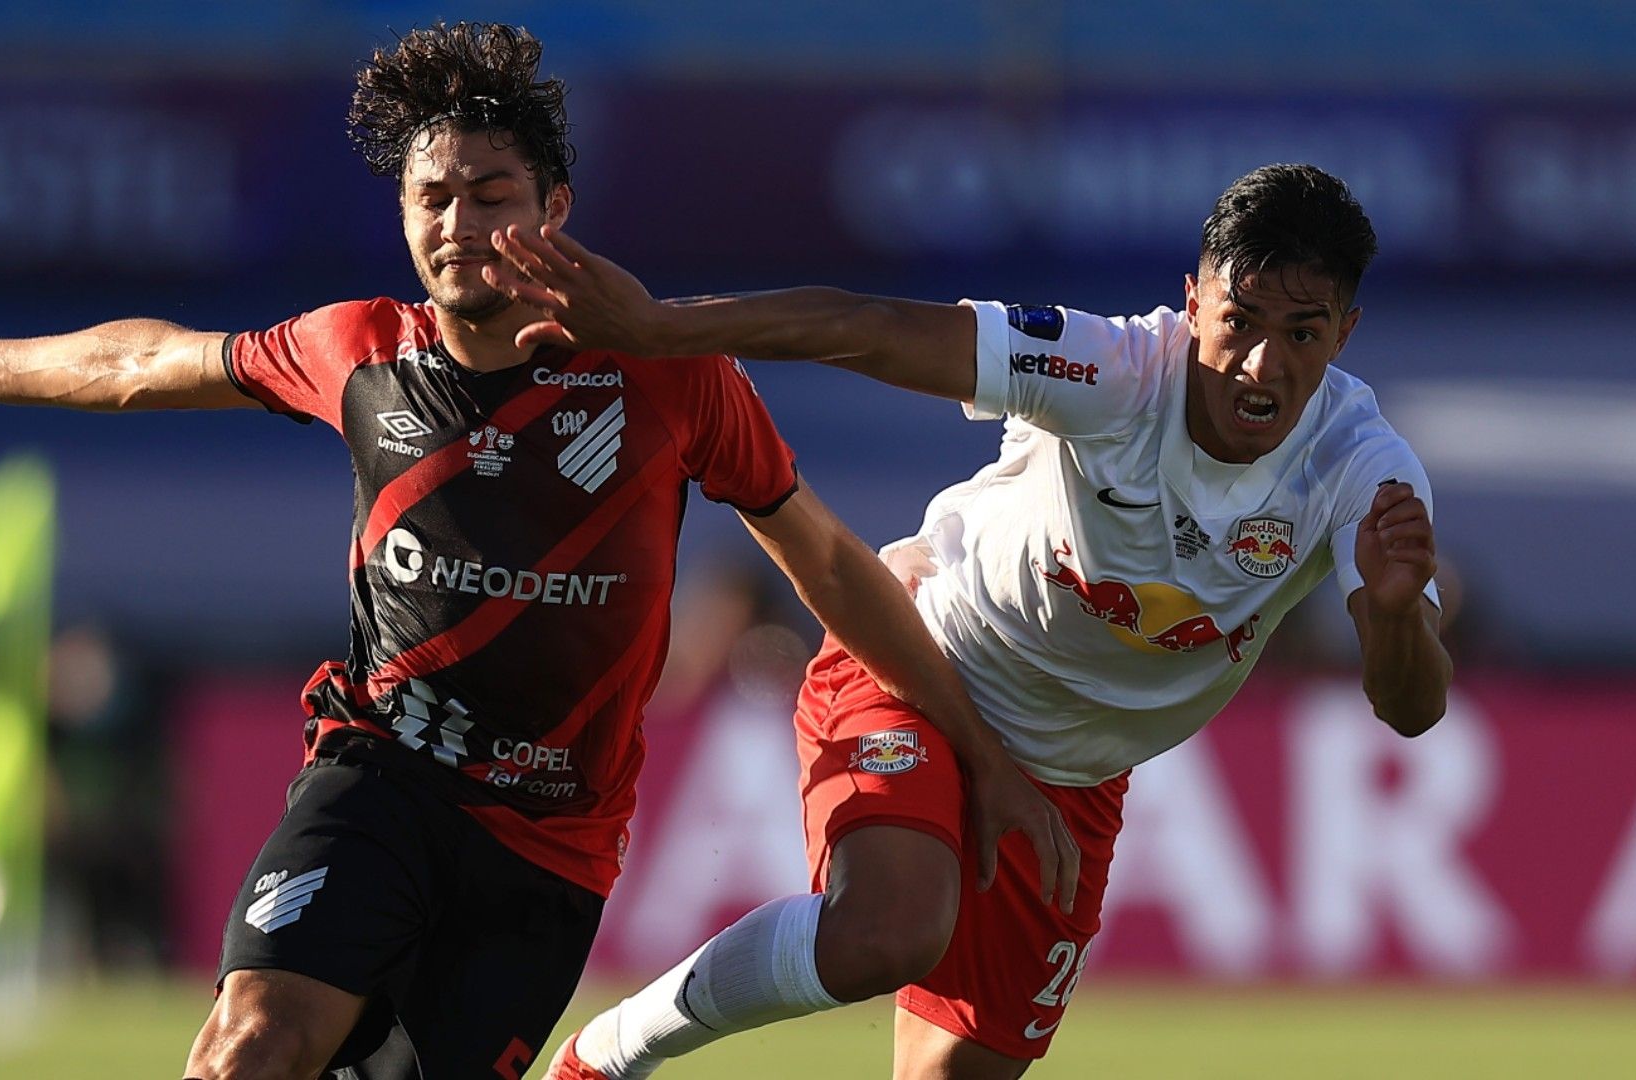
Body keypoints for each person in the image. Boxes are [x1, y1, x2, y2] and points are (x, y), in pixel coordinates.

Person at [0, 22, 1068, 1080]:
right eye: (434, 196)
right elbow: (141, 360)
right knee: (249, 1048)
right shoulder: (356, 353)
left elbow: (830, 566)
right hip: (380, 779)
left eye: (492, 194)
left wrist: (976, 749)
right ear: (401, 213)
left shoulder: (670, 376)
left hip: (548, 846)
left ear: (554, 212)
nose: (460, 224)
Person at [485, 163, 1453, 1079]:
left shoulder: (1364, 469)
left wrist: (1401, 616)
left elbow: (1408, 709)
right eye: (1238, 320)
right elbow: (861, 324)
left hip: (1072, 775)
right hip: (921, 661)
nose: (1260, 363)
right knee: (886, 932)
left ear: (1346, 334)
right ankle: (604, 1056)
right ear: (1192, 300)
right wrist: (658, 327)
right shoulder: (1112, 369)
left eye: (1302, 333)